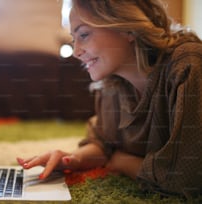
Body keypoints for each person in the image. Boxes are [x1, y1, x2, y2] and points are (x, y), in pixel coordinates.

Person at [17, 0, 202, 198]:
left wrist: (120, 160)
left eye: (84, 35)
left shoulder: (188, 65)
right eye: (74, 39)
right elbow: (103, 144)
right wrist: (72, 159)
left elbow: (185, 180)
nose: (77, 52)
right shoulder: (111, 82)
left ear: (127, 28)